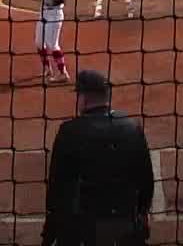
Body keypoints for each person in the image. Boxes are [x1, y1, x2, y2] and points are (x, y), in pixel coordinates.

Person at [41, 70, 154, 246]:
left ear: (84, 99)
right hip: (124, 223)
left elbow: (58, 187)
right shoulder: (132, 127)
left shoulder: (69, 131)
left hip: (84, 229)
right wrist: (142, 212)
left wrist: (50, 232)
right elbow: (146, 177)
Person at [39, 0, 71, 84]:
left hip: (54, 15)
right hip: (43, 13)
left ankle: (63, 74)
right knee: (39, 42)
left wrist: (52, 0)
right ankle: (47, 69)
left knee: (52, 44)